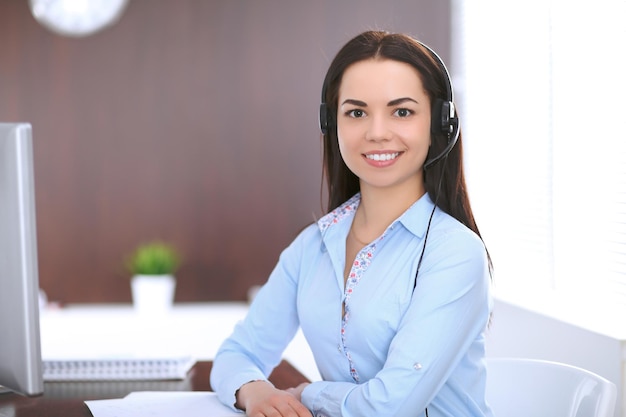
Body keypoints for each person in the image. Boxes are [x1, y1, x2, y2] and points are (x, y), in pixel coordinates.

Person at [210, 30, 493, 417]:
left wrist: (307, 393)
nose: (376, 132)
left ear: (439, 124)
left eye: (402, 111)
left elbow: (391, 406)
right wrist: (253, 389)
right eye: (356, 112)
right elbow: (236, 354)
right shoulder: (313, 246)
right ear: (333, 124)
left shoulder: (455, 253)